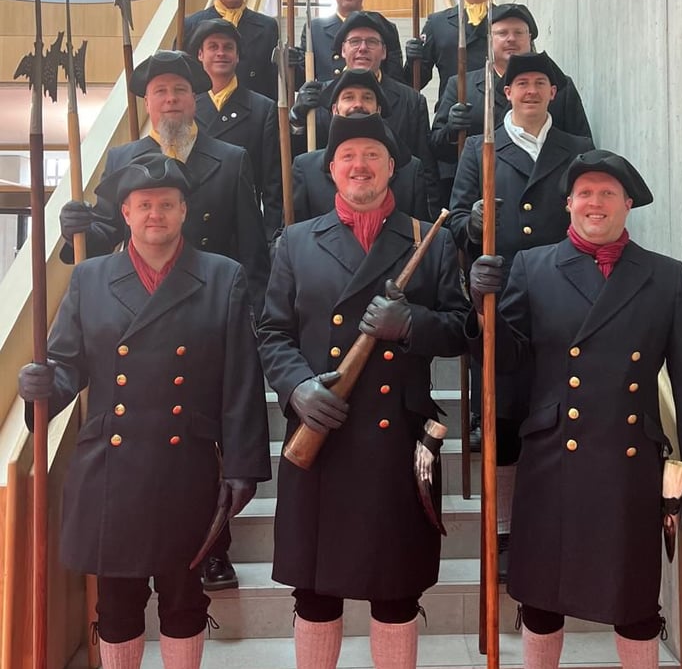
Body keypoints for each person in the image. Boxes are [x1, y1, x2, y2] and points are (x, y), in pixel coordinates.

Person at [18, 155, 271, 669]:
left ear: (184, 211)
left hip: (187, 468)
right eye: (144, 205)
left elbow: (241, 378)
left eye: (167, 204)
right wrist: (41, 386)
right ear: (126, 213)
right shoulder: (89, 277)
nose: (156, 214)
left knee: (185, 601)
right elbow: (67, 364)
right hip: (112, 470)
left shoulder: (223, 276)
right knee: (116, 605)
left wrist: (243, 466)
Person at [468, 150, 682, 669]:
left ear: (628, 204)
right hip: (552, 458)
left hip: (629, 466)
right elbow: (505, 361)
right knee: (541, 601)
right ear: (568, 204)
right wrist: (482, 308)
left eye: (607, 193)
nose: (594, 202)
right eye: (584, 193)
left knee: (635, 604)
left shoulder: (665, 276)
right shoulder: (533, 267)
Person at [257, 113, 467, 669]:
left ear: (391, 167)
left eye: (372, 155)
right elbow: (272, 333)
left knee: (396, 591)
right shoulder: (296, 241)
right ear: (330, 170)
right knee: (314, 593)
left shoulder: (430, 239)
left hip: (395, 442)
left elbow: (462, 329)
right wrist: (297, 388)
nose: (360, 165)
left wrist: (412, 324)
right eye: (348, 156)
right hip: (320, 434)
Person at [449, 51, 593, 576]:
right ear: (505, 93)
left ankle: (559, 523)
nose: (530, 90)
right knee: (505, 415)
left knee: (560, 409)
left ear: (554, 92)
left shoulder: (577, 148)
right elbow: (455, 217)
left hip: (566, 294)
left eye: (540, 83)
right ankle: (506, 531)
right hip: (505, 296)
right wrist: (473, 221)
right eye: (521, 83)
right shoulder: (481, 148)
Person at [58, 50, 271, 319]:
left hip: (210, 305)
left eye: (180, 90)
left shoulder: (232, 160)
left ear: (194, 99)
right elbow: (105, 234)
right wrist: (78, 228)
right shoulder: (121, 159)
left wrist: (254, 319)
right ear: (147, 103)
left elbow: (252, 252)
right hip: (140, 304)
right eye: (160, 91)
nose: (171, 98)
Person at [430, 2, 592, 195]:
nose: (511, 39)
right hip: (483, 192)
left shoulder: (560, 86)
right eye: (502, 33)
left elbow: (582, 149)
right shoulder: (462, 86)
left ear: (530, 38)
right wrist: (451, 130)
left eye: (519, 33)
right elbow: (436, 147)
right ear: (489, 40)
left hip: (549, 194)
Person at [292, 11, 440, 216]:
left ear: (384, 51)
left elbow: (426, 168)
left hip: (394, 213)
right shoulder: (319, 96)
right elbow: (299, 161)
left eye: (371, 42)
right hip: (328, 213)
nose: (363, 48)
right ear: (343, 50)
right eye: (354, 41)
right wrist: (296, 119)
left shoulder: (411, 101)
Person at [292, 68, 429, 223]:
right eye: (348, 97)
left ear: (378, 110)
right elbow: (292, 234)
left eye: (367, 98)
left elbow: (421, 232)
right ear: (335, 110)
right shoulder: (306, 169)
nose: (358, 104)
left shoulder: (410, 172)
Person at [187, 18, 283, 240]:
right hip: (193, 229)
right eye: (213, 47)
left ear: (238, 56)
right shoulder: (186, 107)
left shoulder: (262, 109)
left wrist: (271, 236)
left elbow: (272, 183)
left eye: (228, 47)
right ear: (200, 54)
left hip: (241, 230)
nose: (221, 53)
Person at [404, 0, 498, 101]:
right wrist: (413, 60)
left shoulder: (507, 20)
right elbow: (415, 82)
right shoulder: (437, 23)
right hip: (453, 108)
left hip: (495, 108)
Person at [184, 0, 278, 100]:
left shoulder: (267, 26)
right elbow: (184, 75)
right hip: (204, 108)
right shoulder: (191, 25)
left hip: (253, 109)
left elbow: (273, 80)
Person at [298, 0, 404, 83]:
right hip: (328, 94)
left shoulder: (385, 28)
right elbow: (300, 80)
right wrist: (292, 64)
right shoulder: (314, 29)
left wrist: (413, 60)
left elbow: (397, 78)